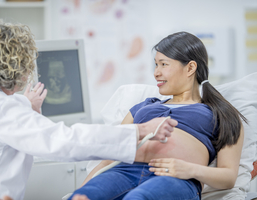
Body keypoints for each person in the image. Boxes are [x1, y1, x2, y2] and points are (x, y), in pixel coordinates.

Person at [0, 19, 178, 200]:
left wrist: (26, 105)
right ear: (18, 67)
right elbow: (65, 141)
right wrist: (139, 130)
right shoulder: (4, 111)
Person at [69, 32, 246, 200]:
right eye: (156, 64)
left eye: (164, 64)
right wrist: (82, 189)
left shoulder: (220, 113)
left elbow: (228, 176)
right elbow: (109, 158)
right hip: (123, 171)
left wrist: (190, 170)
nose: (156, 72)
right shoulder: (144, 107)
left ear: (190, 67)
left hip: (176, 179)